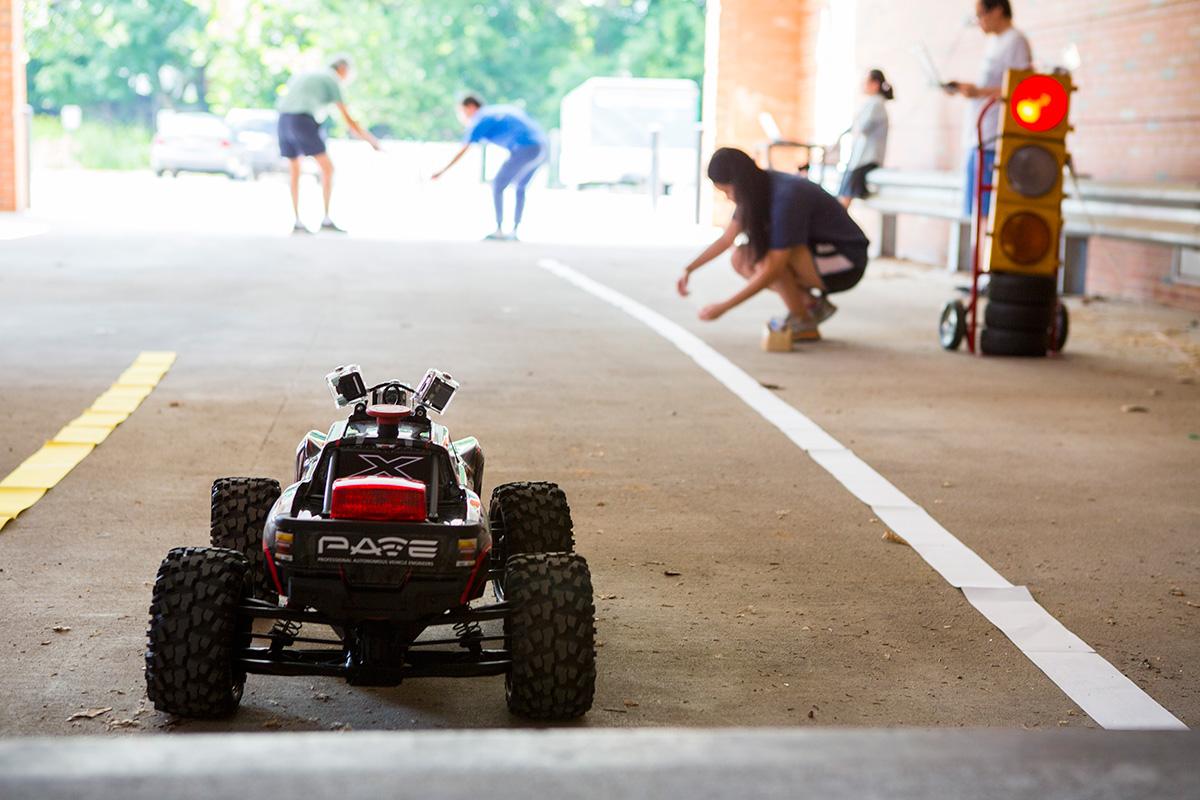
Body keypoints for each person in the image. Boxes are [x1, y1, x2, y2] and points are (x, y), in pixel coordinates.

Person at [677, 148, 870, 341]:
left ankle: (804, 321)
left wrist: (724, 307)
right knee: (742, 258)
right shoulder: (755, 192)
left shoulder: (786, 196)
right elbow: (727, 239)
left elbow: (773, 268)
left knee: (768, 261)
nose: (728, 197)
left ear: (740, 182)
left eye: (727, 191)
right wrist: (689, 269)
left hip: (848, 260)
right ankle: (810, 304)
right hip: (820, 254)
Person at [944, 0, 1032, 218]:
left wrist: (979, 92)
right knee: (976, 212)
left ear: (998, 10)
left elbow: (1023, 90)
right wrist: (969, 90)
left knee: (989, 213)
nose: (979, 22)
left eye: (981, 14)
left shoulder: (1016, 40)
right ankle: (979, 252)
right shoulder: (994, 42)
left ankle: (984, 252)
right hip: (979, 135)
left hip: (995, 137)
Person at [276, 56, 381, 234]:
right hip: (302, 119)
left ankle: (297, 222)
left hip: (283, 119)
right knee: (328, 169)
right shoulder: (332, 79)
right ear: (341, 69)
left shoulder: (309, 74)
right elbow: (348, 119)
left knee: (294, 169)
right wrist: (371, 141)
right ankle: (326, 219)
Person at [432, 96, 548, 241]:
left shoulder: (480, 119)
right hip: (541, 147)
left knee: (498, 185)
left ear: (471, 107)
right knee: (520, 187)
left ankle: (499, 229)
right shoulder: (495, 111)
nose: (462, 117)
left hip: (524, 147)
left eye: (461, 112)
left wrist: (442, 171)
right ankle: (514, 231)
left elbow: (464, 149)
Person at [837, 69, 893, 209]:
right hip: (859, 161)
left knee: (843, 203)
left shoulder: (876, 104)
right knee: (841, 199)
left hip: (865, 161)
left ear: (875, 84)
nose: (862, 85)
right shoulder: (872, 103)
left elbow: (862, 127)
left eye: (865, 81)